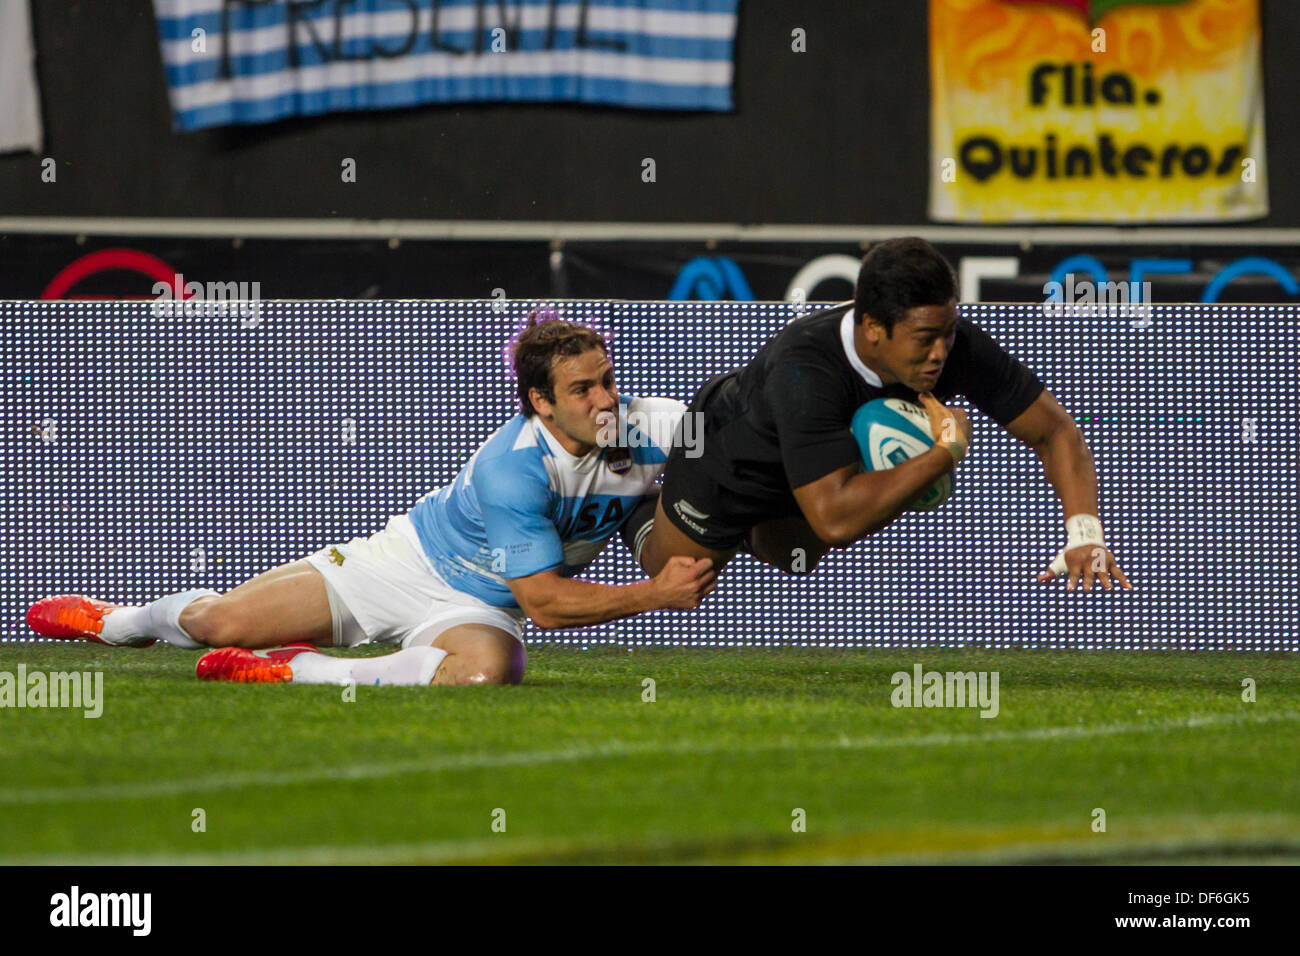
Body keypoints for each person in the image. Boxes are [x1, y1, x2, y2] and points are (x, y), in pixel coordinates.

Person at [26, 314, 715, 686]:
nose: (604, 401)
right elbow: (543, 601)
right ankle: (115, 622)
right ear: (540, 402)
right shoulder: (514, 471)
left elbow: (724, 460)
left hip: (480, 607)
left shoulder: (654, 427)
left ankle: (293, 670)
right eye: (582, 390)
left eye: (608, 381)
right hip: (401, 566)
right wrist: (655, 592)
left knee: (486, 673)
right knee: (218, 622)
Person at [633, 237, 1132, 594]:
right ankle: (633, 495)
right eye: (924, 338)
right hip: (729, 461)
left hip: (813, 477)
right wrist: (943, 454)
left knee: (794, 557)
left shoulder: (955, 348)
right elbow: (833, 520)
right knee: (677, 576)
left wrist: (1084, 535)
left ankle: (763, 532)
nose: (941, 352)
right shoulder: (804, 367)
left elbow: (1054, 431)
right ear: (873, 327)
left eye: (949, 332)